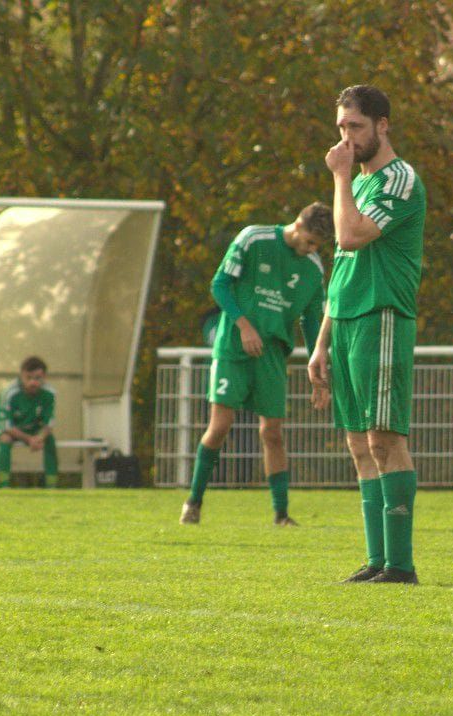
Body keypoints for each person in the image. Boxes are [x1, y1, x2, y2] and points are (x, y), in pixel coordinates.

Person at [307, 85, 427, 585]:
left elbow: (350, 236)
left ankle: (400, 565)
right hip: (350, 319)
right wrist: (320, 342)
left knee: (384, 439)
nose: (347, 137)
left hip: (382, 315)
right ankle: (377, 559)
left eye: (355, 126)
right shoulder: (355, 186)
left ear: (382, 125)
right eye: (341, 128)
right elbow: (341, 267)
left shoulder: (399, 179)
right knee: (359, 443)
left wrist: (339, 177)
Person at [180, 203, 332, 526]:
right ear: (297, 225)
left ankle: (281, 514)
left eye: (318, 246)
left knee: (272, 432)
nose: (312, 250)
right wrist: (244, 325)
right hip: (234, 347)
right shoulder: (253, 239)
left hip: (273, 355)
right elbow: (219, 285)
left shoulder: (313, 269)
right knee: (220, 426)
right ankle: (193, 502)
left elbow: (312, 319)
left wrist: (316, 363)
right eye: (310, 242)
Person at [0, 356, 58, 487]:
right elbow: (6, 426)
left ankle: (52, 486)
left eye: (37, 378)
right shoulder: (9, 393)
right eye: (28, 378)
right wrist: (30, 439)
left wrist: (39, 438)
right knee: (5, 438)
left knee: (50, 439)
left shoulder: (49, 393)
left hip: (30, 428)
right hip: (4, 427)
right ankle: (3, 484)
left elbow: (49, 425)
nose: (33, 383)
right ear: (21, 376)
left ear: (44, 377)